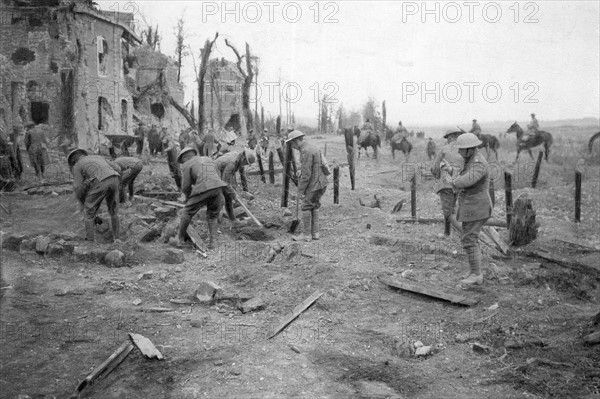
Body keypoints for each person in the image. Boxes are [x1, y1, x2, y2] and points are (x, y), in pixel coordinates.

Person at [441, 132, 493, 285]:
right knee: (469, 238)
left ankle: (476, 274)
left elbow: (466, 180)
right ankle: (474, 271)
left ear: (470, 149)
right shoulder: (471, 160)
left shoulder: (478, 163)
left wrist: (452, 181)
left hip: (477, 207)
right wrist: (451, 170)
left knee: (469, 239)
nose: (459, 152)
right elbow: (463, 175)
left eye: (461, 149)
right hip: (472, 206)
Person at [176, 147, 228, 249]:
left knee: (187, 212)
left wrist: (188, 198)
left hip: (203, 188)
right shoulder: (208, 159)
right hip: (217, 187)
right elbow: (217, 175)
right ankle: (214, 243)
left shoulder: (187, 164)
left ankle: (180, 239)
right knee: (213, 215)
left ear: (184, 158)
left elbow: (185, 186)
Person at [68, 148, 121, 242]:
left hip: (100, 181)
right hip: (115, 178)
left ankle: (90, 243)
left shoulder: (77, 166)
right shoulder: (98, 157)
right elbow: (117, 168)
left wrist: (83, 200)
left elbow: (78, 187)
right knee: (113, 211)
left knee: (88, 214)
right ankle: (117, 239)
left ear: (73, 161)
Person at [286, 131, 329, 241]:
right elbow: (312, 166)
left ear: (296, 141)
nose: (292, 147)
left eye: (292, 144)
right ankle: (315, 233)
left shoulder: (305, 151)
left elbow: (306, 176)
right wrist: (301, 170)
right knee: (314, 205)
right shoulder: (311, 147)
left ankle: (306, 235)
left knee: (305, 206)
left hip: (314, 184)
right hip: (321, 183)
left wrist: (300, 191)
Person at [431, 130, 464, 237]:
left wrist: (437, 176)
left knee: (448, 212)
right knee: (453, 208)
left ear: (450, 138)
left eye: (447, 138)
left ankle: (463, 233)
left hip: (446, 185)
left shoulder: (444, 150)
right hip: (459, 184)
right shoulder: (464, 150)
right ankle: (448, 232)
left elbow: (434, 168)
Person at [215, 148, 256, 221]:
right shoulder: (232, 163)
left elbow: (243, 176)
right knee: (221, 197)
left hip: (221, 172)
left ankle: (232, 220)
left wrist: (246, 191)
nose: (245, 165)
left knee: (228, 196)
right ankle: (217, 222)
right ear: (244, 159)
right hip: (213, 172)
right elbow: (225, 182)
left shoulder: (240, 159)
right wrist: (234, 194)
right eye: (246, 163)